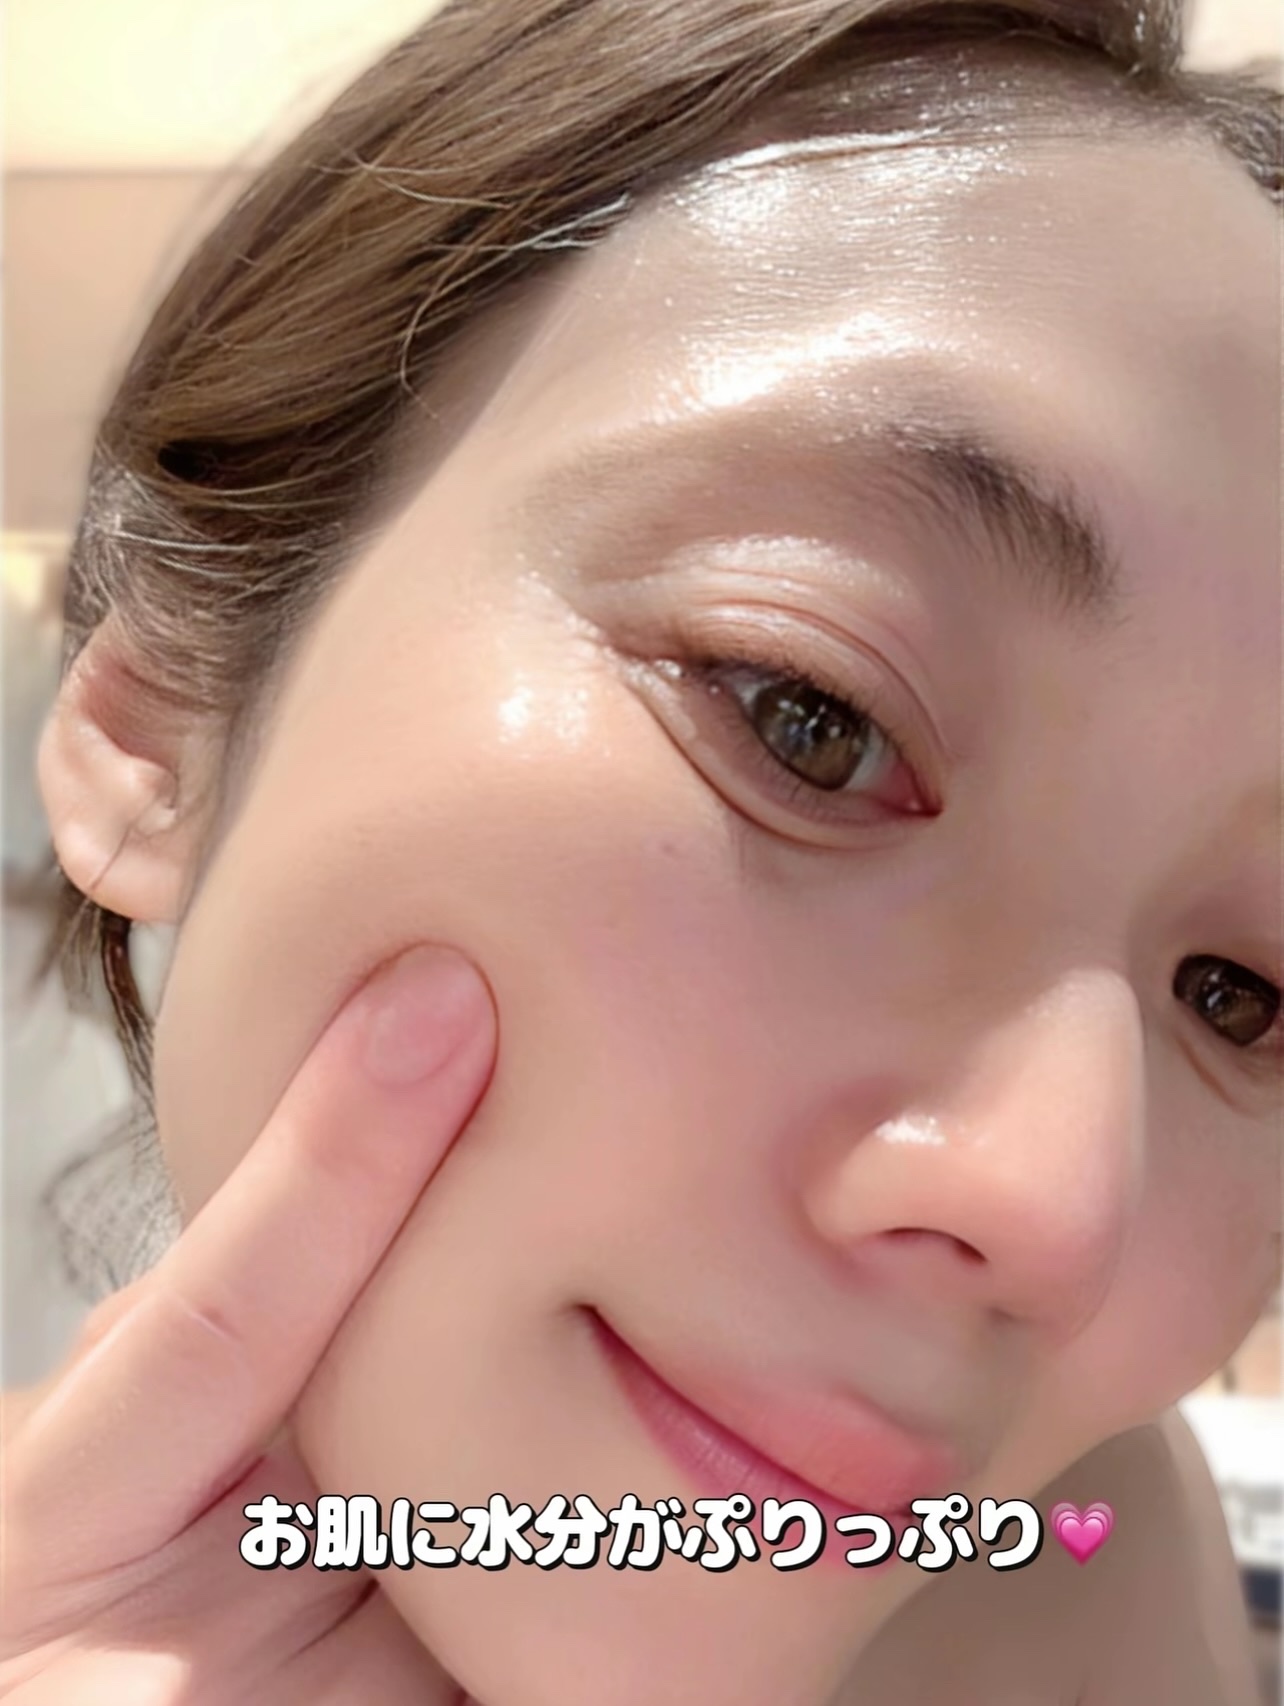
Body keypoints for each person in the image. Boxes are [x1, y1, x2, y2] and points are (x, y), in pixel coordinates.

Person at [3, 0, 1280, 1700]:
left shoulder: (1095, 1576)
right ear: (162, 714)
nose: (1056, 1204)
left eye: (1242, 994)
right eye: (809, 717)